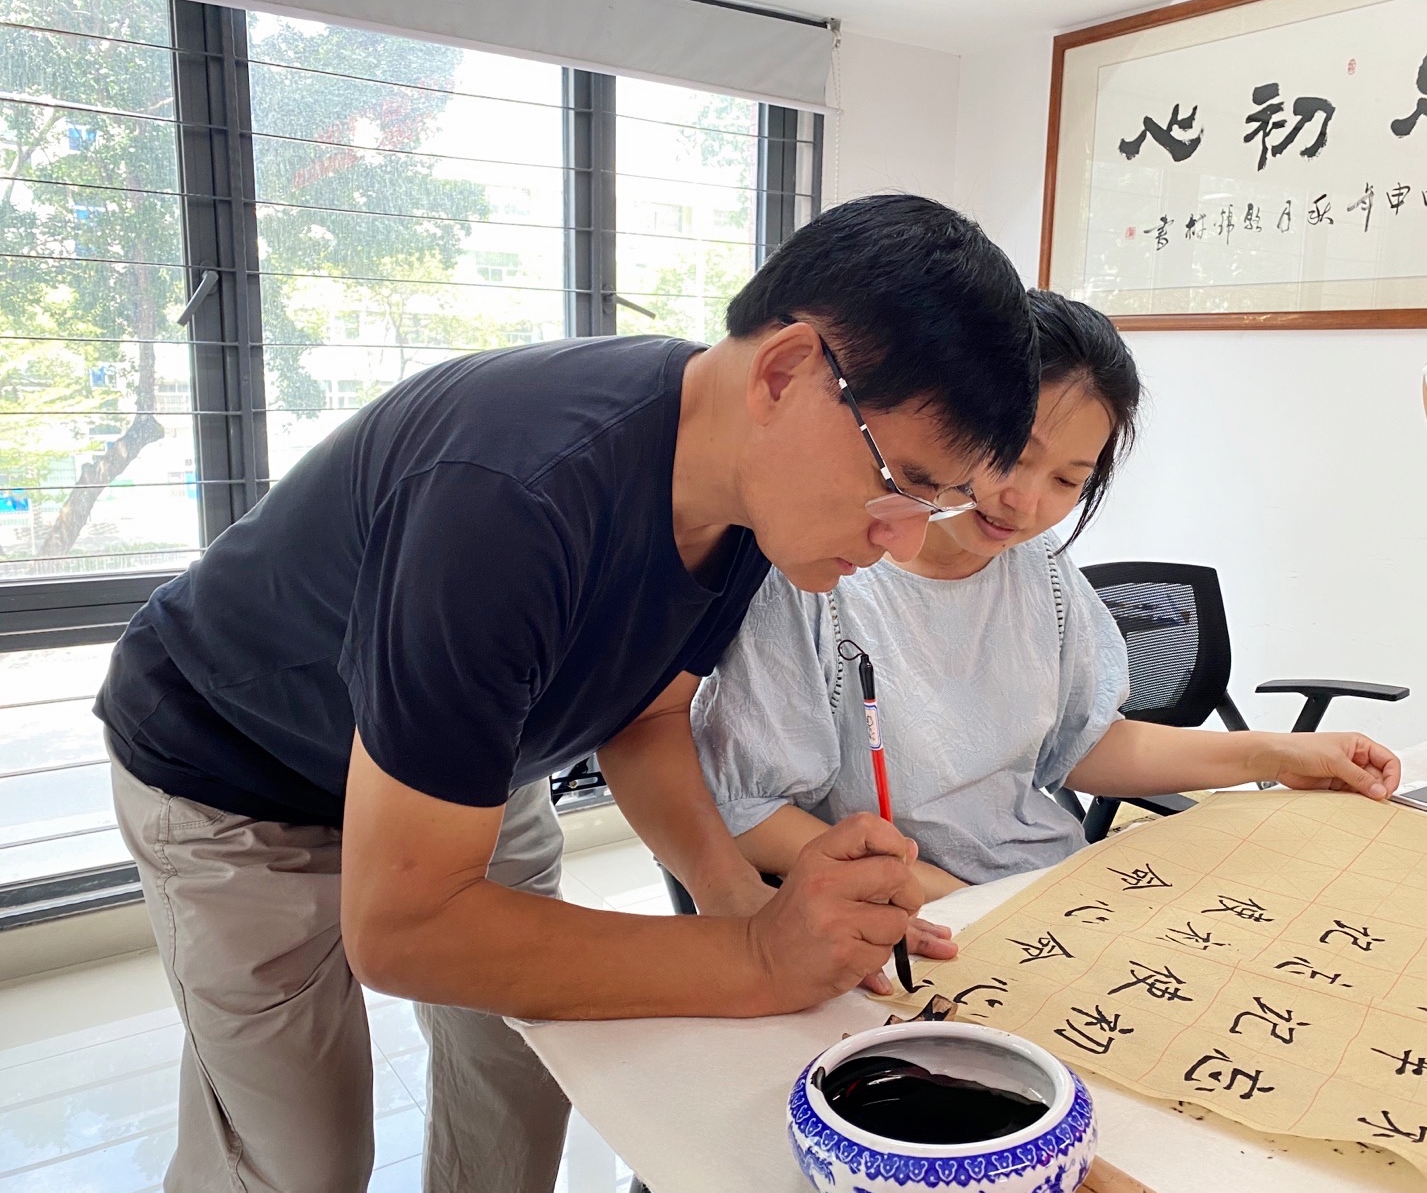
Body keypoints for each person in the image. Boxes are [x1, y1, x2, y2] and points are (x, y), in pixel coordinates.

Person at [92, 194, 1039, 1193]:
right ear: (785, 371)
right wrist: (757, 958)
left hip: (469, 766)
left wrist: (734, 901)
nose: (899, 538)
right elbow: (403, 927)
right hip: (236, 764)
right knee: (299, 1155)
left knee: (522, 1068)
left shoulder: (751, 496)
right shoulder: (511, 494)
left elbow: (649, 712)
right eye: (901, 481)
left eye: (936, 505)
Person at [691, 289, 1401, 973]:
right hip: (913, 922)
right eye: (1011, 454)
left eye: (1067, 481)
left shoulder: (1039, 571)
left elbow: (1085, 744)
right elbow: (746, 808)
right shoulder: (820, 572)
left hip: (1050, 893)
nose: (1024, 503)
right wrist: (952, 898)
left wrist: (1276, 753)